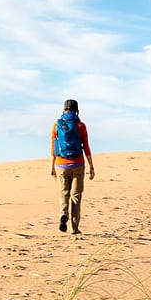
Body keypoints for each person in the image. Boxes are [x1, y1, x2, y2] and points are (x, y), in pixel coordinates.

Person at [50, 99, 95, 235]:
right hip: (78, 164)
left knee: (64, 193)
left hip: (61, 165)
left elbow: (54, 148)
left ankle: (63, 215)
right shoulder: (81, 126)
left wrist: (52, 166)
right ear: (76, 111)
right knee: (76, 196)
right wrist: (91, 166)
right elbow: (86, 147)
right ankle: (74, 228)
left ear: (64, 109)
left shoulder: (56, 125)